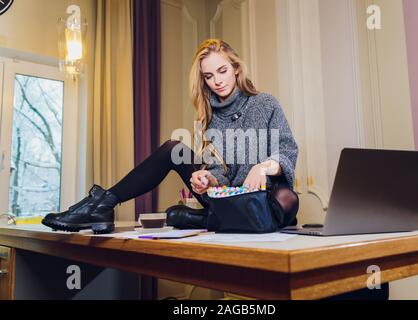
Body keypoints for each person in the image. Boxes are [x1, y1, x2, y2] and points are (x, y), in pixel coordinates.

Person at [42, 38, 299, 235]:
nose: (217, 81)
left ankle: (203, 219)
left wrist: (263, 167)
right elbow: (220, 172)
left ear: (235, 68)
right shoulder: (209, 118)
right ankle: (103, 203)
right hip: (226, 197)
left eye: (222, 71)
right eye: (209, 76)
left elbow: (287, 150)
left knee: (287, 199)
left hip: (259, 196)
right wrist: (206, 177)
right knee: (171, 149)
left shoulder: (265, 103)